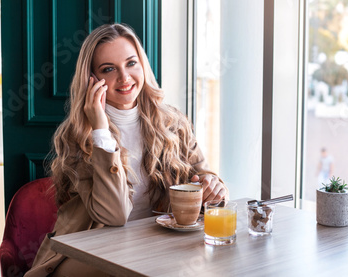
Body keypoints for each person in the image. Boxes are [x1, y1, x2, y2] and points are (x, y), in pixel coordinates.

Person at [25, 24, 228, 277]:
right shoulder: (78, 135)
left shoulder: (173, 124)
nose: (124, 77)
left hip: (155, 246)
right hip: (89, 253)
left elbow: (204, 175)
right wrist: (100, 129)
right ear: (91, 79)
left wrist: (213, 186)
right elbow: (115, 215)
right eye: (108, 69)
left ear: (142, 65)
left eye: (131, 63)